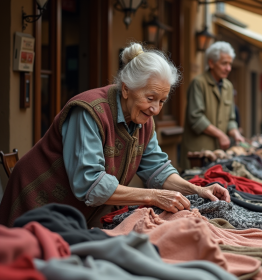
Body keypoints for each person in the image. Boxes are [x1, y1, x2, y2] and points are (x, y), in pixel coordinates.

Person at [0, 43, 231, 228]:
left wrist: (198, 190)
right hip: (36, 204)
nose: (155, 109)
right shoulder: (89, 111)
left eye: (162, 101)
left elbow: (157, 169)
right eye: (150, 98)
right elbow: (91, 184)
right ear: (126, 89)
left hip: (72, 214)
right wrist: (153, 196)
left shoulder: (144, 121)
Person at [180, 42, 244, 169]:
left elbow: (231, 119)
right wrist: (221, 135)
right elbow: (196, 118)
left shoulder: (228, 86)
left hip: (218, 152)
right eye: (224, 63)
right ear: (211, 63)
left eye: (230, 64)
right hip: (198, 153)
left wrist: (236, 134)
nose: (228, 68)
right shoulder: (198, 83)